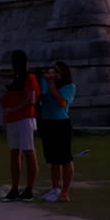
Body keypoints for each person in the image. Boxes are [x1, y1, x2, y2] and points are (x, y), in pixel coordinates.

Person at [0, 50, 39, 202]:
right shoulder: (17, 78)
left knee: (28, 152)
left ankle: (29, 189)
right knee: (14, 153)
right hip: (14, 119)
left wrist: (12, 109)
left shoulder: (30, 78)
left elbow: (31, 100)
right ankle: (15, 188)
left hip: (25, 119)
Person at [38, 61, 76, 203]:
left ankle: (65, 191)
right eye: (51, 71)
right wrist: (44, 81)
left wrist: (52, 84)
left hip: (61, 123)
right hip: (47, 122)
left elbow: (62, 103)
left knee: (65, 158)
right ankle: (55, 188)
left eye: (55, 71)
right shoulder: (45, 82)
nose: (52, 74)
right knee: (53, 160)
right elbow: (41, 95)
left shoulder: (69, 86)